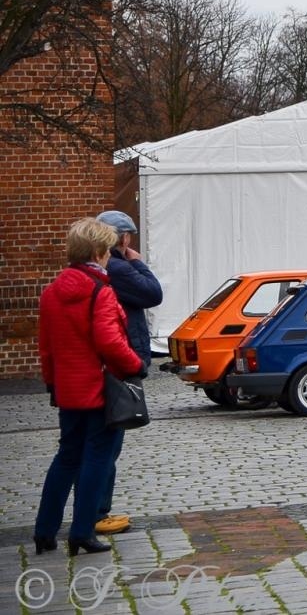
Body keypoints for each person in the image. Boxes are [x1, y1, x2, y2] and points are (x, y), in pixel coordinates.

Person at [34, 218, 144, 556]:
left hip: (68, 390)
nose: (110, 257)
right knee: (97, 457)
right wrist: (135, 365)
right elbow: (110, 342)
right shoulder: (101, 291)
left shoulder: (52, 292)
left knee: (66, 456)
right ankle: (82, 531)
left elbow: (47, 347)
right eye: (108, 251)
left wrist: (54, 383)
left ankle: (44, 530)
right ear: (98, 252)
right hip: (100, 389)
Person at [94, 211, 160, 537]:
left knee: (94, 445)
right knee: (107, 443)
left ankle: (90, 512)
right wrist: (138, 262)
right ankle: (96, 512)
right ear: (122, 239)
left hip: (102, 371)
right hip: (119, 368)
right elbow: (153, 293)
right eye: (128, 237)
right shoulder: (119, 268)